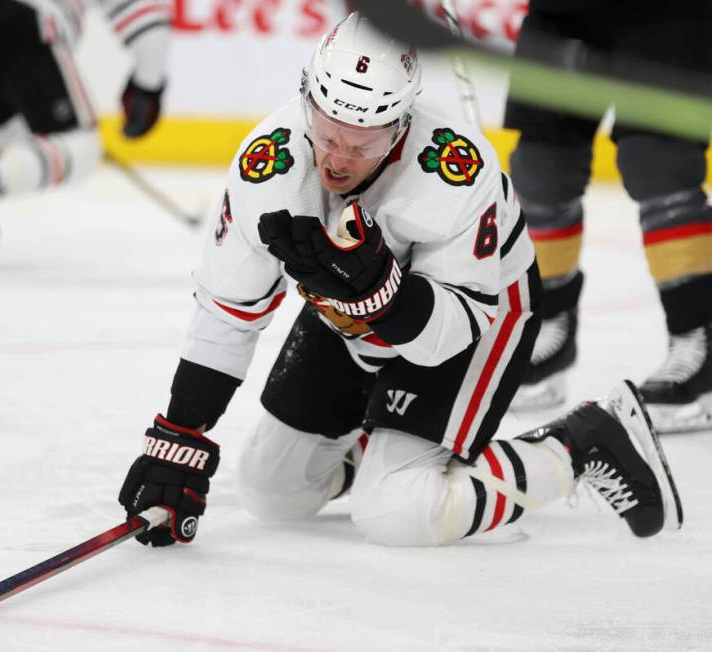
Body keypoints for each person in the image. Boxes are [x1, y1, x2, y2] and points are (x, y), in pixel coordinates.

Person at [115, 12, 682, 548]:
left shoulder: (455, 174)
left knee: (396, 513)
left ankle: (582, 443)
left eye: (362, 144)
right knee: (273, 490)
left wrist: (380, 296)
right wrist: (181, 436)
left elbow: (451, 334)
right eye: (327, 132)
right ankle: (394, 445)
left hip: (478, 313)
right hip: (352, 313)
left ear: (400, 125)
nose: (337, 160)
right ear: (307, 96)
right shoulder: (271, 164)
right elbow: (227, 310)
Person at [504, 0, 712, 433]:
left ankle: (698, 339)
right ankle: (550, 334)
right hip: (563, 10)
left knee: (657, 157)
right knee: (541, 166)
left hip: (668, 11)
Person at [0, 0, 170, 253]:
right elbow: (142, 11)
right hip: (26, 21)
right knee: (82, 143)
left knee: (10, 121)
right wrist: (148, 86)